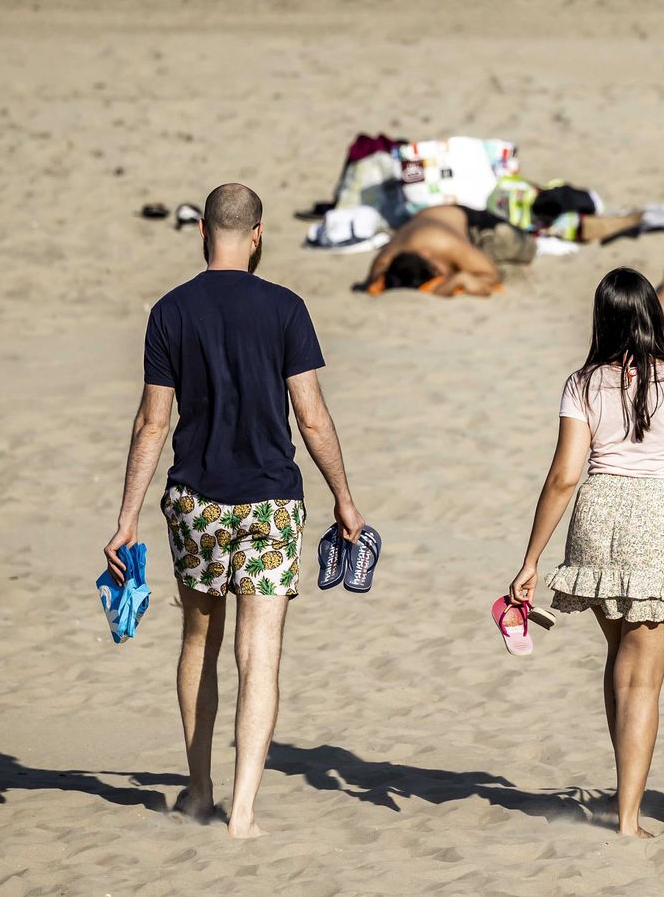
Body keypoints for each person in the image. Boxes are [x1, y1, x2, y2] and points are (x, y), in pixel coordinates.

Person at [102, 183, 367, 839]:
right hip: (272, 502)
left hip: (194, 500)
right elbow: (310, 414)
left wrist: (126, 516)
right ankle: (242, 811)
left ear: (203, 235)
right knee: (261, 651)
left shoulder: (170, 311)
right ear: (256, 234)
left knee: (199, 639)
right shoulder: (284, 309)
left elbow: (150, 423)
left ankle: (198, 788)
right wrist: (344, 496)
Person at [508, 267, 664, 838]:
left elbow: (564, 477)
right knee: (641, 678)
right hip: (659, 522)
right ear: (653, 315)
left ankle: (622, 799)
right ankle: (625, 819)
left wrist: (531, 559)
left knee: (621, 659)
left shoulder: (583, 382)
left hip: (597, 514)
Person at [361, 205, 535, 296]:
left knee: (523, 249)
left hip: (471, 224)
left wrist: (455, 280)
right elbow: (376, 282)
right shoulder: (385, 259)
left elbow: (491, 275)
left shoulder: (445, 245)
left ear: (425, 254)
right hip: (431, 219)